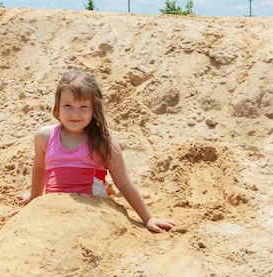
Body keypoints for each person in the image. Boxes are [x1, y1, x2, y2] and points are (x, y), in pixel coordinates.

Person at [17, 69, 176, 233]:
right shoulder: (44, 136)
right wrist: (35, 197)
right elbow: (39, 168)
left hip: (93, 210)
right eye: (67, 105)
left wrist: (148, 218)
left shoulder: (103, 142)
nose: (75, 113)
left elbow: (123, 183)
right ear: (57, 107)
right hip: (55, 207)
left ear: (94, 109)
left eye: (83, 106)